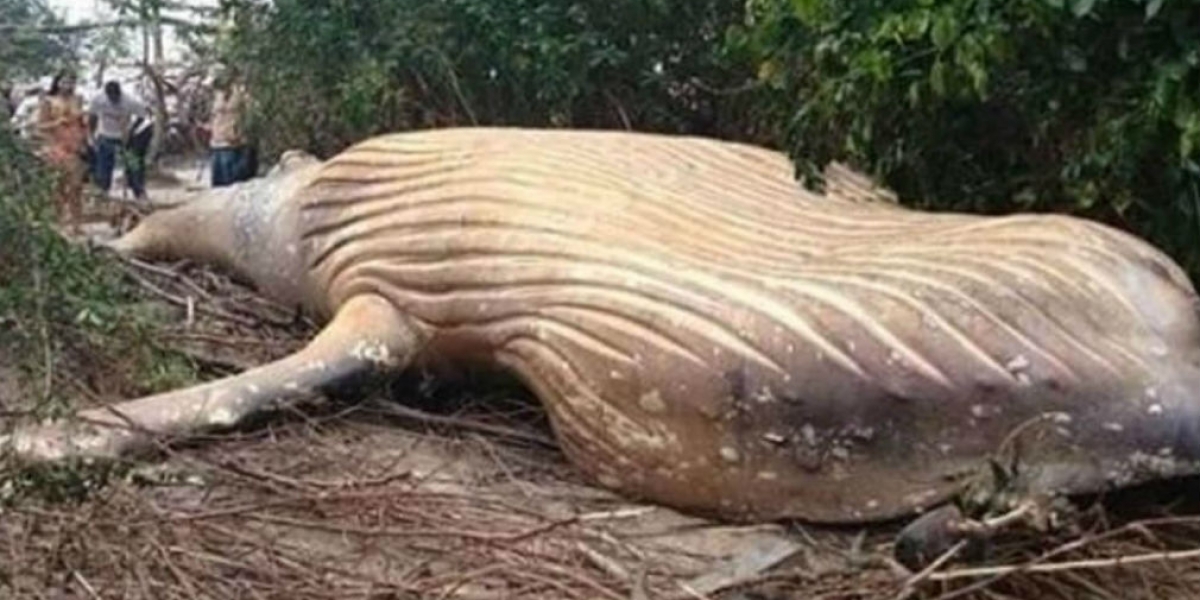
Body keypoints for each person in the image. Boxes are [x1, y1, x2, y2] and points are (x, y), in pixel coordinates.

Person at [32, 70, 89, 234]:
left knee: (76, 187)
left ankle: (77, 224)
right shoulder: (48, 102)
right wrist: (57, 122)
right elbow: (39, 127)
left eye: (71, 82)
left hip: (75, 148)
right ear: (57, 83)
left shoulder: (78, 100)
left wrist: (85, 137)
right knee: (59, 187)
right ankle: (59, 223)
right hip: (56, 148)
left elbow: (83, 124)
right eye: (64, 82)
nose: (68, 85)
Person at [88, 80, 149, 199]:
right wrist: (91, 135)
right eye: (111, 96)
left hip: (125, 137)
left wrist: (131, 131)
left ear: (120, 93)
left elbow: (142, 117)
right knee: (104, 165)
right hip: (105, 135)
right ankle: (103, 191)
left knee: (133, 164)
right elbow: (92, 117)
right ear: (106, 94)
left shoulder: (130, 101)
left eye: (115, 96)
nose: (113, 99)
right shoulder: (98, 100)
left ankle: (139, 191)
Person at [208, 69, 255, 187]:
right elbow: (213, 114)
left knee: (233, 183)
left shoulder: (241, 93)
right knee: (218, 185)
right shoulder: (217, 95)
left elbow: (251, 115)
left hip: (235, 144)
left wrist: (240, 133)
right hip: (218, 142)